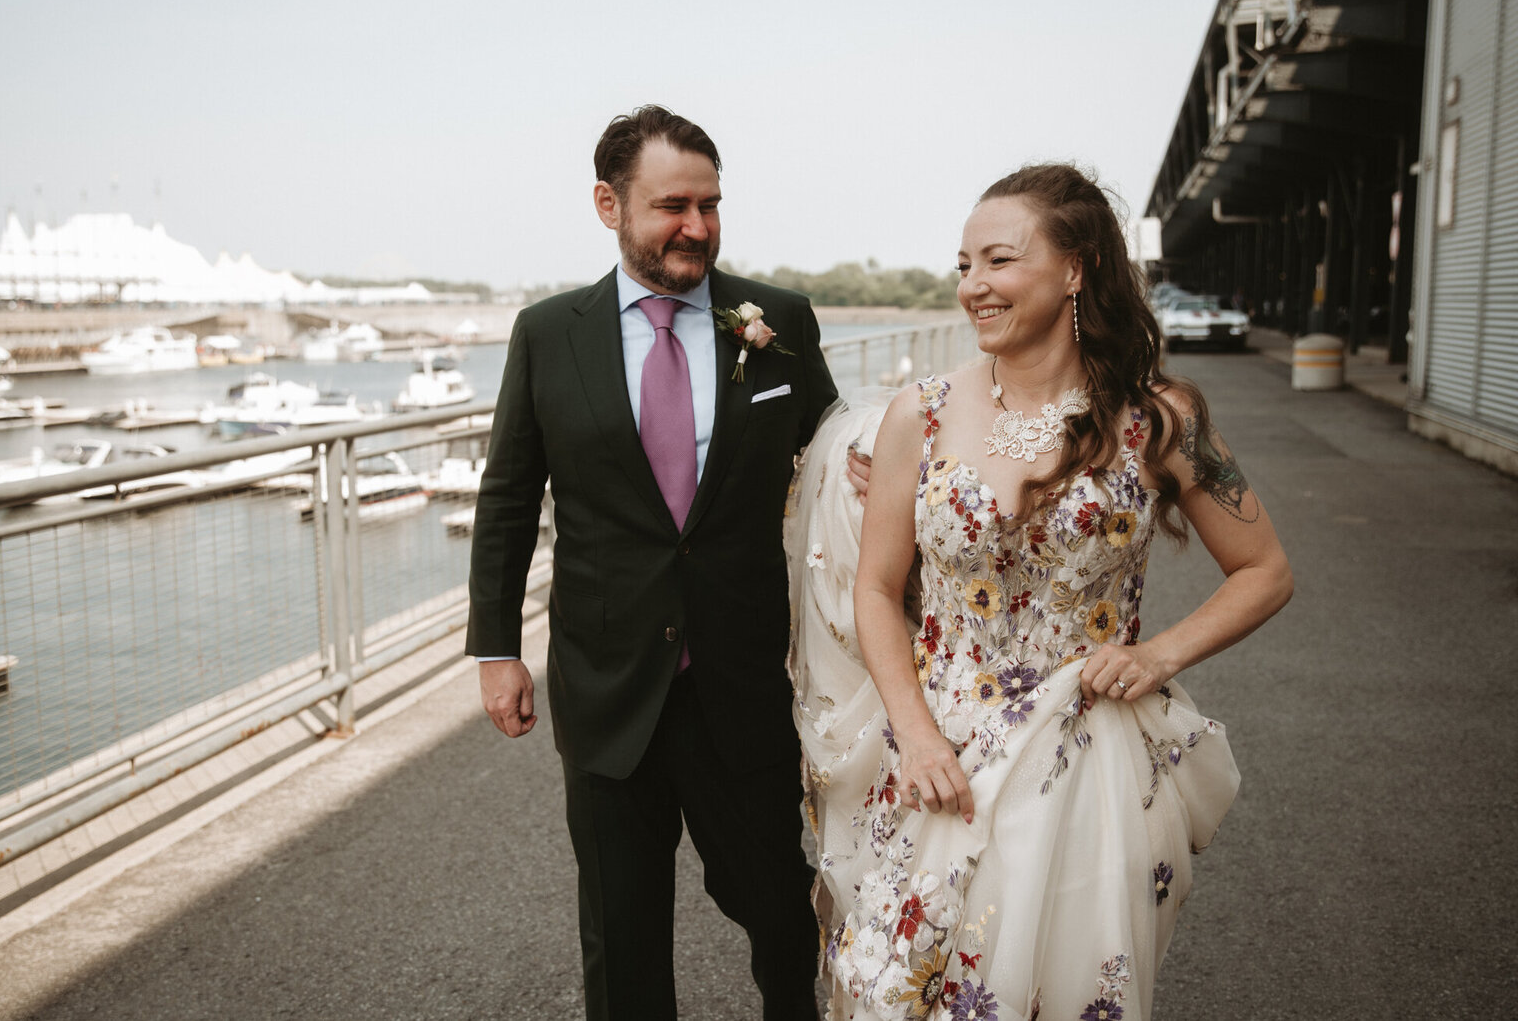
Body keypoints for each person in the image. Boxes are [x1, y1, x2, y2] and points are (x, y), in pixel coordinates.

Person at [786, 163, 1293, 1020]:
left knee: (1052, 991)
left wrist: (1158, 652)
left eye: (998, 261)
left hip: (1083, 769)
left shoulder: (1158, 419)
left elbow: (1266, 569)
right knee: (891, 991)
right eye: (963, 266)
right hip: (935, 752)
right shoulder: (923, 413)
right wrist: (914, 737)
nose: (973, 287)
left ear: (1076, 268)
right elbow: (875, 588)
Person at [467, 104, 839, 1020]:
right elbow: (509, 498)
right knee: (622, 939)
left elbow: (838, 460)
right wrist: (496, 650)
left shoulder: (778, 320)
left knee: (786, 919)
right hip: (605, 689)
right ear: (609, 204)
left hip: (740, 682)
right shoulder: (549, 334)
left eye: (711, 205)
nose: (699, 228)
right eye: (674, 205)